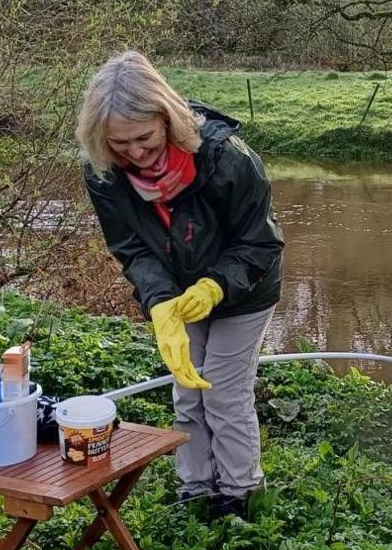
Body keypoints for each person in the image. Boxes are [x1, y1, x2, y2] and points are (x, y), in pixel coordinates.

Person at [77, 51, 284, 519]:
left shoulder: (227, 159)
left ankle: (240, 495)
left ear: (167, 119)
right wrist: (160, 303)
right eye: (119, 143)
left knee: (224, 394)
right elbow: (131, 246)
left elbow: (261, 244)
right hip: (175, 292)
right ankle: (195, 490)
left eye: (143, 138)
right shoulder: (103, 171)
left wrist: (213, 287)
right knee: (187, 392)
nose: (134, 152)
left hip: (244, 288)